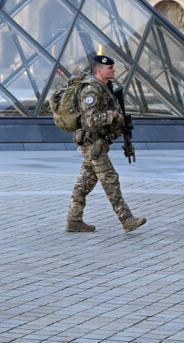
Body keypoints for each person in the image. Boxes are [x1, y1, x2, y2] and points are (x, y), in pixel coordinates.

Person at [66, 55, 146, 234]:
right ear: (100, 71)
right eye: (110, 68)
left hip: (97, 142)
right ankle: (126, 219)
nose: (114, 70)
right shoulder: (91, 91)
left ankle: (74, 219)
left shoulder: (104, 88)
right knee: (111, 180)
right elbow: (91, 120)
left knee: (85, 182)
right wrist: (114, 116)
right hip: (92, 143)